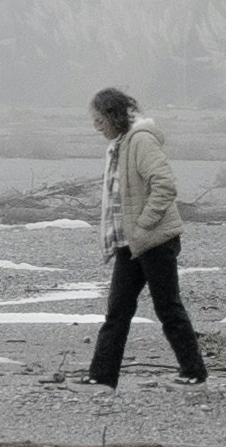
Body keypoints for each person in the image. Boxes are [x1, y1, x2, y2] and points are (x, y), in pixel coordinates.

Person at [84, 87, 205, 387]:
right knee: (117, 311)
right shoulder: (120, 144)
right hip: (130, 242)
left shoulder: (141, 141)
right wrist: (133, 233)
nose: (96, 127)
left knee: (168, 308)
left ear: (113, 116)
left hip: (155, 240)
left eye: (99, 120)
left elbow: (164, 185)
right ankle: (101, 377)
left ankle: (194, 371)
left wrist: (143, 225)